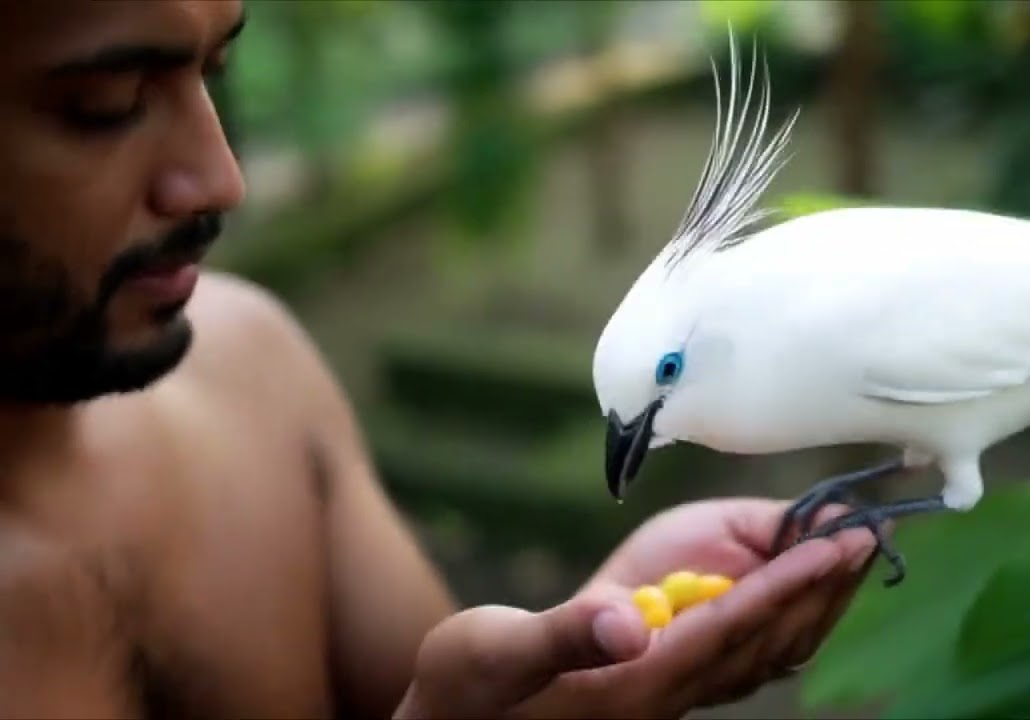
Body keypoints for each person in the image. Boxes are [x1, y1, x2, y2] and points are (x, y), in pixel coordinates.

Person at [0, 2, 879, 718]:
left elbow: (440, 693)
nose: (222, 179)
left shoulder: (254, 371)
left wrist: (579, 670)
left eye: (213, 76)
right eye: (106, 105)